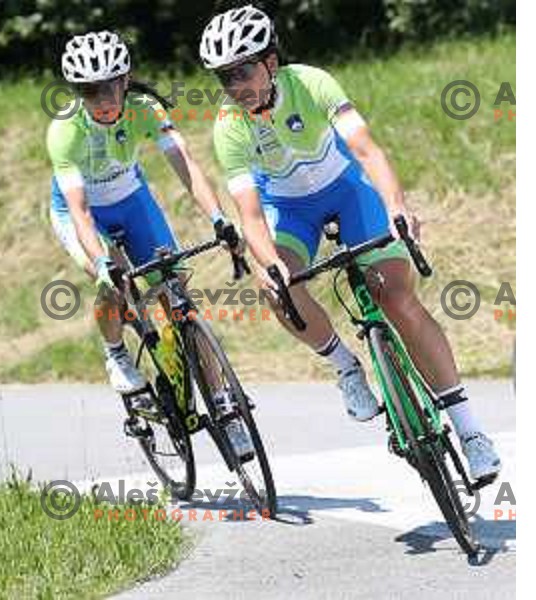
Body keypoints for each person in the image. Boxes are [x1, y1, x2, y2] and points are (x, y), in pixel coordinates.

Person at [199, 6, 501, 482]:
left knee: (396, 297)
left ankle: (471, 432)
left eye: (242, 71)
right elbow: (251, 215)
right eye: (224, 78)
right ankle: (346, 367)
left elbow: (366, 149)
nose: (235, 85)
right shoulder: (228, 126)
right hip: (290, 210)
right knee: (274, 286)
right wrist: (268, 261)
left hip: (348, 190)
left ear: (271, 63)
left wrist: (396, 205)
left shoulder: (312, 82)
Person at [46, 31, 248, 435]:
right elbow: (81, 211)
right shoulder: (65, 129)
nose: (101, 100)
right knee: (113, 285)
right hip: (81, 214)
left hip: (131, 200)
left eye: (108, 87)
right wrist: (103, 262)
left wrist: (219, 220)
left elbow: (186, 164)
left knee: (178, 294)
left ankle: (223, 403)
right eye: (89, 91)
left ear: (125, 80)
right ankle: (116, 352)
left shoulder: (146, 109)